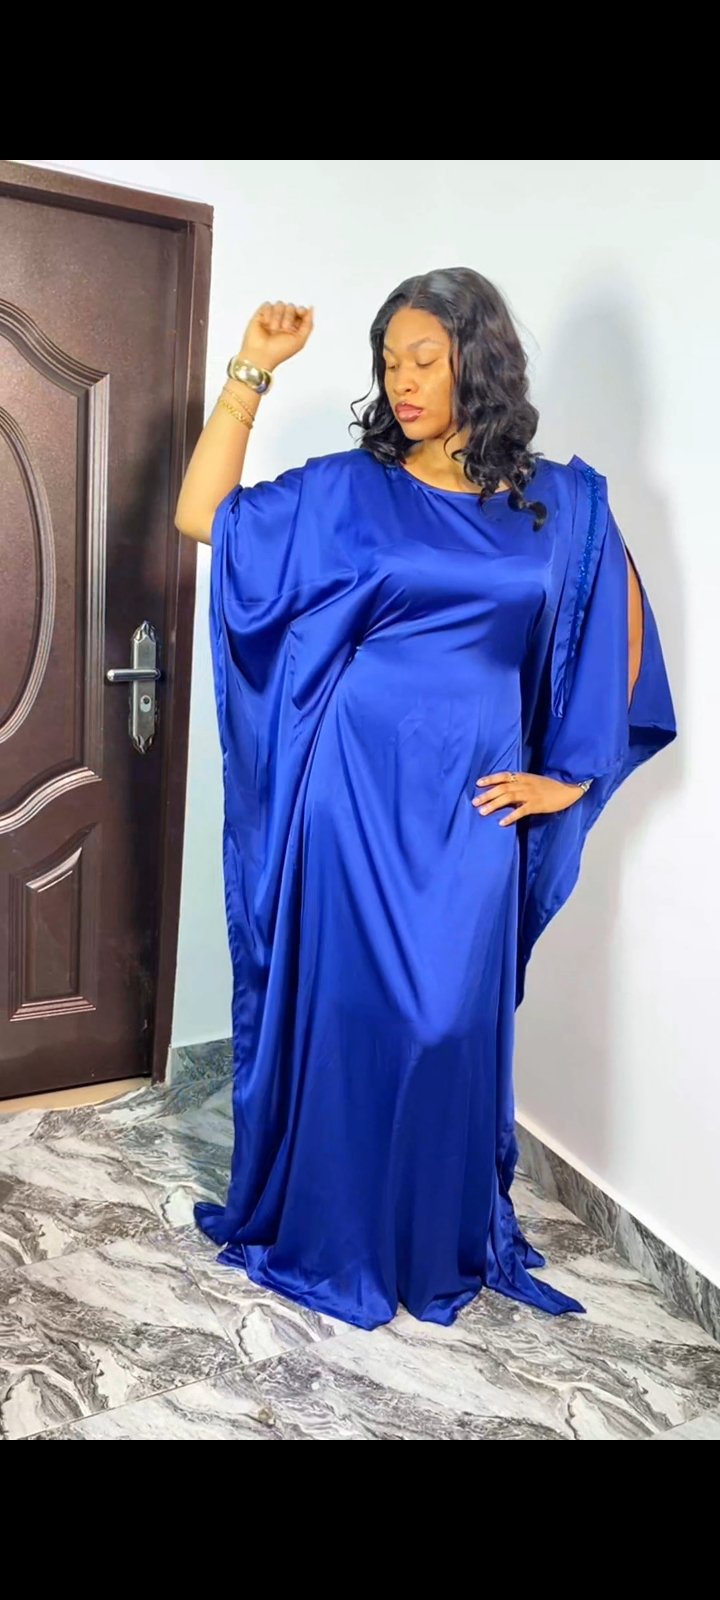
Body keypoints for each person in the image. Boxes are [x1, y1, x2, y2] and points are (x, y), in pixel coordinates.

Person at [175, 268, 675, 1331]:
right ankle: (335, 1231)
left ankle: (427, 1234)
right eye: (388, 361)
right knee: (355, 1015)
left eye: (424, 359)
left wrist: (571, 775)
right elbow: (199, 514)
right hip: (352, 792)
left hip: (473, 801)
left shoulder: (560, 504)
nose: (401, 381)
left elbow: (623, 628)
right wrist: (251, 370)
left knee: (444, 1018)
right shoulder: (352, 490)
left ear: (477, 364)